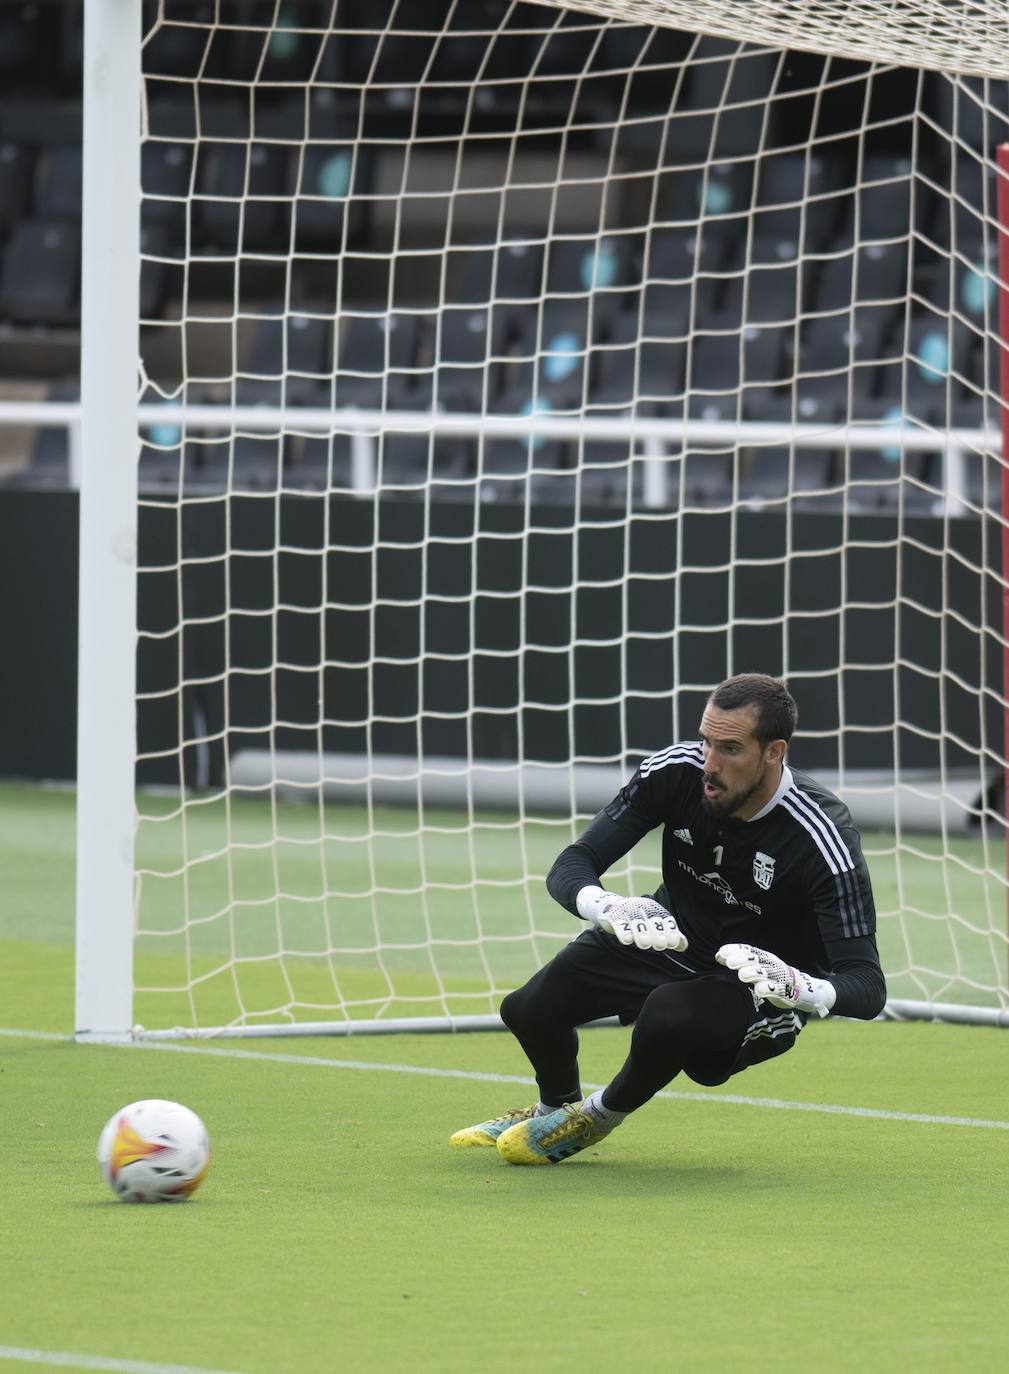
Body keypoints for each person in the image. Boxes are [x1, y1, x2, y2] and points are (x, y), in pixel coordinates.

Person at [449, 672, 886, 1165]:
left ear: (773, 752)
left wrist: (800, 988)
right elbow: (574, 864)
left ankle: (593, 1118)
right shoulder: (676, 772)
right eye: (705, 742)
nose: (710, 764)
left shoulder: (822, 836)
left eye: (730, 749)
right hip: (675, 940)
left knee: (668, 1015)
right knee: (527, 1008)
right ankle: (555, 1107)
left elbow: (868, 985)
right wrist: (608, 906)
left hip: (754, 990)